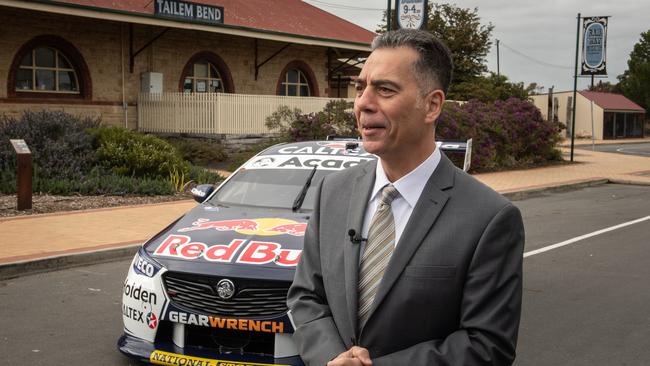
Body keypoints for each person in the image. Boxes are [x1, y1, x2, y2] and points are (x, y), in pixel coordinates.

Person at [287, 29, 525, 366]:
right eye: (360, 88)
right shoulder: (332, 192)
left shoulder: (489, 218)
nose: (363, 103)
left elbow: (488, 344)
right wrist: (333, 358)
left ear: (432, 105)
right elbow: (306, 297)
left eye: (385, 90)